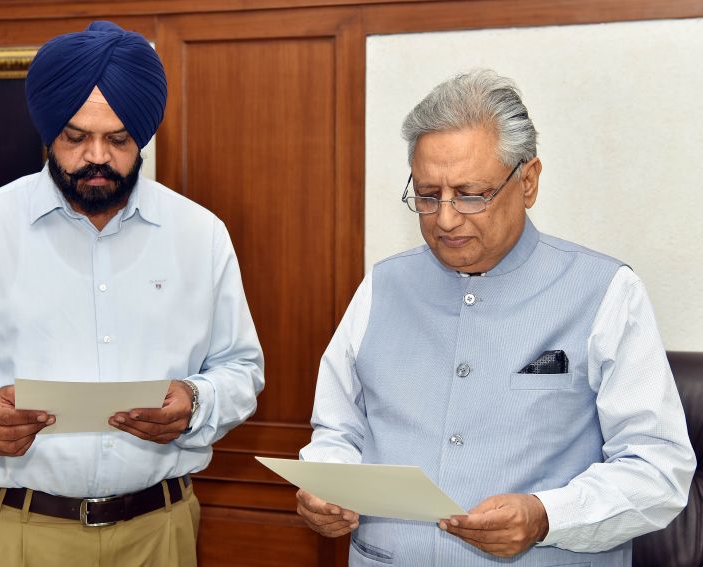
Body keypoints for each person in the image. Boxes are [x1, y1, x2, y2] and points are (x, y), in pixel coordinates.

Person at [296, 70, 695, 565]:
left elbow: (658, 467)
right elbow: (338, 430)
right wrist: (327, 485)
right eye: (428, 195)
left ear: (527, 182)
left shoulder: (606, 291)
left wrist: (546, 516)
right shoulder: (382, 286)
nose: (445, 218)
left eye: (471, 194)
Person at [0, 21, 264, 567]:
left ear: (142, 136)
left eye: (118, 139)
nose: (97, 156)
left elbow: (242, 368)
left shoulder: (200, 235)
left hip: (159, 533)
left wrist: (196, 403)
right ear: (49, 133)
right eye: (75, 138)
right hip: (19, 533)